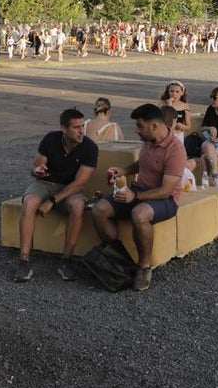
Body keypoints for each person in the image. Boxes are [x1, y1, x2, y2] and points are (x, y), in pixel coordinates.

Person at [91, 104, 186, 292]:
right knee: (99, 209)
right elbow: (142, 163)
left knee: (139, 213)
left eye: (140, 126)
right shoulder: (149, 140)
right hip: (139, 191)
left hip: (164, 200)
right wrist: (124, 171)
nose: (136, 131)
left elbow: (166, 190)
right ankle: (119, 258)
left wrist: (135, 196)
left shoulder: (175, 150)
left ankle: (144, 267)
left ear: (153, 126)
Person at [15, 108, 98, 283]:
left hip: (70, 189)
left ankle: (66, 261)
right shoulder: (50, 139)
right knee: (29, 202)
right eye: (76, 127)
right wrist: (37, 170)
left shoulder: (89, 147)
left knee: (77, 206)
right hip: (45, 184)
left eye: (83, 126)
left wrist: (52, 201)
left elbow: (80, 183)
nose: (81, 131)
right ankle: (24, 260)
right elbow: (37, 165)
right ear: (64, 128)